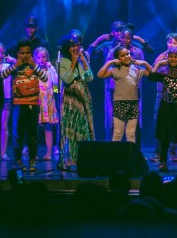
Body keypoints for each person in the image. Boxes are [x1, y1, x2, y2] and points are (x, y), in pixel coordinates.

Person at [1, 38, 49, 172]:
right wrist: (15, 65)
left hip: (33, 104)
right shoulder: (14, 66)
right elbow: (2, 76)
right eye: (22, 53)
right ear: (17, 54)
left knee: (33, 134)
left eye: (28, 53)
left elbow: (45, 78)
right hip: (18, 104)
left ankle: (33, 160)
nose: (25, 56)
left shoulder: (35, 66)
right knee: (18, 134)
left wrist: (34, 65)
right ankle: (17, 160)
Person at [148, 46, 177, 172]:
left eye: (176, 57)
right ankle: (163, 161)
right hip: (167, 107)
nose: (173, 59)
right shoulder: (163, 72)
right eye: (171, 57)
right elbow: (151, 77)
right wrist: (158, 64)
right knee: (165, 135)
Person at [97, 46, 151, 143]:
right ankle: (115, 156)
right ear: (118, 58)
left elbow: (153, 74)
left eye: (128, 54)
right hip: (120, 103)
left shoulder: (137, 69)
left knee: (131, 134)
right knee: (118, 133)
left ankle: (130, 156)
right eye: (123, 55)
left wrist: (145, 63)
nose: (126, 56)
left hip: (133, 103)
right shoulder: (115, 69)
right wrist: (110, 62)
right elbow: (100, 75)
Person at [58, 34, 95, 167]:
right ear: (67, 47)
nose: (76, 48)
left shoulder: (81, 60)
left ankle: (84, 157)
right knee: (72, 129)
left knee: (84, 127)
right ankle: (71, 158)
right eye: (73, 46)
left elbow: (90, 78)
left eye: (77, 45)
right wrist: (73, 62)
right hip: (71, 100)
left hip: (83, 97)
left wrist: (83, 61)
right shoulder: (62, 62)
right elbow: (67, 79)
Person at [34, 47, 58, 161]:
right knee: (34, 128)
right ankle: (33, 152)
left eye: (43, 57)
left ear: (47, 58)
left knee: (48, 127)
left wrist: (52, 68)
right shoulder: (35, 70)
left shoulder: (49, 70)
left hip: (47, 100)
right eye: (38, 57)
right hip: (37, 101)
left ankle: (49, 152)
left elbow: (56, 82)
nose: (41, 59)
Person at [0, 42, 15, 160]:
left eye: (2, 53)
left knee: (4, 126)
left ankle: (3, 153)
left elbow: (21, 65)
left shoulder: (7, 66)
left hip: (6, 99)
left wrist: (13, 59)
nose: (0, 55)